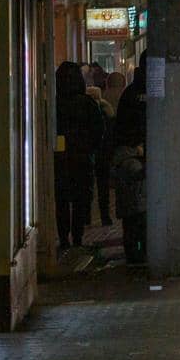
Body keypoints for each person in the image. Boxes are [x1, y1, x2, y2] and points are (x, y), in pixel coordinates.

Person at [53, 61, 104, 250]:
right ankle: (78, 237)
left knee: (62, 201)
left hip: (59, 160)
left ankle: (64, 238)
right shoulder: (87, 103)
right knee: (81, 200)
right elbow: (99, 130)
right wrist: (90, 149)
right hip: (82, 159)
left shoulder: (54, 104)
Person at [112, 61, 148, 263]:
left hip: (128, 156)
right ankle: (139, 253)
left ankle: (134, 254)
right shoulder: (143, 94)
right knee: (139, 211)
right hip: (134, 156)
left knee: (131, 211)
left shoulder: (130, 93)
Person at [87, 83, 115, 226]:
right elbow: (111, 133)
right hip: (104, 154)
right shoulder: (107, 109)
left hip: (89, 154)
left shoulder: (85, 110)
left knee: (88, 186)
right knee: (103, 187)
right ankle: (105, 216)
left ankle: (87, 217)